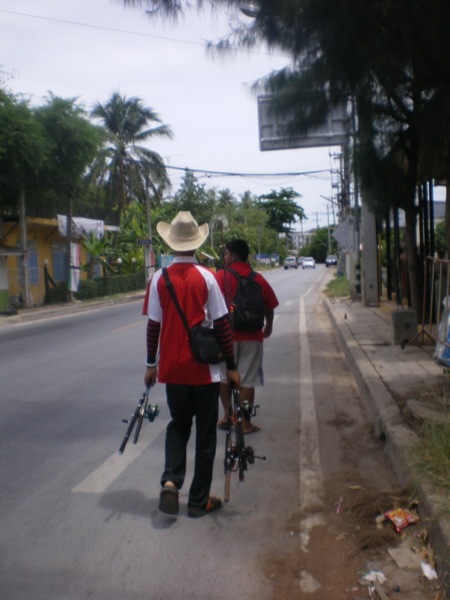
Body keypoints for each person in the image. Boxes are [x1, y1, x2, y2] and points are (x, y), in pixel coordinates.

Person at [144, 211, 240, 518]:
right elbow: (223, 326)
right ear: (196, 244)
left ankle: (171, 481)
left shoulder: (159, 278)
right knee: (206, 436)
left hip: (173, 371)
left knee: (178, 426)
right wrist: (232, 366)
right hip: (204, 372)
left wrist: (151, 364)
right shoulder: (206, 277)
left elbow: (153, 327)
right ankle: (198, 502)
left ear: (171, 245)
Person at [215, 239, 279, 434]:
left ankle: (227, 416)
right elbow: (270, 305)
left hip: (225, 335)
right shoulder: (257, 279)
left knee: (225, 376)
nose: (224, 257)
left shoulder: (220, 278)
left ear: (233, 255)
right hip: (252, 335)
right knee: (248, 379)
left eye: (226, 254)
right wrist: (268, 326)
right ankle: (244, 423)